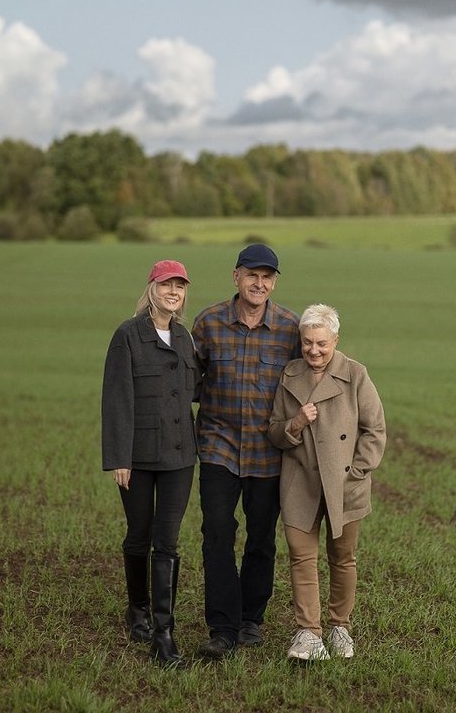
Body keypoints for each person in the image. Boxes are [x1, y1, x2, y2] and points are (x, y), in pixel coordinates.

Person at [191, 244, 301, 658]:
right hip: (218, 447)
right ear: (235, 276)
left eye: (267, 277)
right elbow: (189, 379)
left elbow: (309, 379)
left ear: (274, 282)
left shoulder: (290, 328)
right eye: (252, 275)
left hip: (268, 454)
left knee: (261, 539)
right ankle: (222, 627)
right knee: (216, 534)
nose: (259, 283)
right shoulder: (209, 323)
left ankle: (251, 619)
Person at [268, 304, 386, 661]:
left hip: (345, 484)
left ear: (336, 340)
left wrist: (356, 471)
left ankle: (339, 627)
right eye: (307, 343)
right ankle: (309, 634)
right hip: (299, 482)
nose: (314, 351)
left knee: (342, 559)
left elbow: (375, 429)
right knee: (302, 558)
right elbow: (274, 432)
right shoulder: (290, 376)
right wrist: (296, 423)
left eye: (322, 343)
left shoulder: (355, 374)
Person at [101, 259, 201, 667]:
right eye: (167, 285)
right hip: (138, 457)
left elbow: (194, 391)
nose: (174, 292)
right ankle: (137, 609)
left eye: (180, 286)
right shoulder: (128, 334)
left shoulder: (185, 337)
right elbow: (117, 399)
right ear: (152, 288)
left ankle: (164, 631)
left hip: (180, 455)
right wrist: (119, 458)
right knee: (138, 535)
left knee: (168, 541)